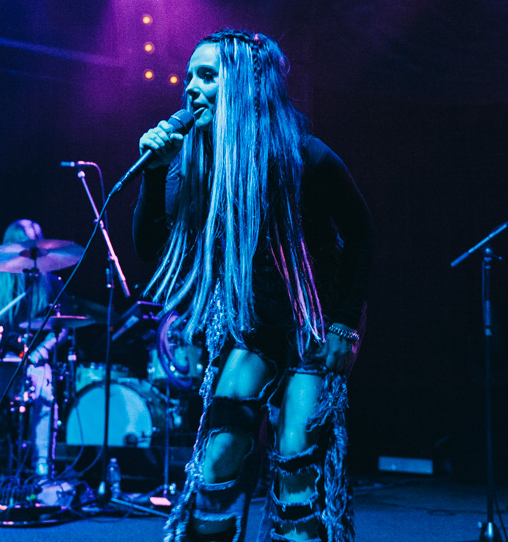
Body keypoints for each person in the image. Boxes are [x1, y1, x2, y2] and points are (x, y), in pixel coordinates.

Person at [133, 29, 373, 542]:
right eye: (189, 76)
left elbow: (361, 232)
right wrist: (153, 176)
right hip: (251, 328)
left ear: (241, 85)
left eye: (206, 76)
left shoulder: (303, 155)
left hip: (312, 325)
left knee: (295, 462)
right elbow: (151, 249)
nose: (190, 88)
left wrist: (345, 325)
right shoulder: (195, 165)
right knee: (217, 456)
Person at [0, 218, 71, 477]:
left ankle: (42, 465)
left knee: (46, 394)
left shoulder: (51, 282)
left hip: (33, 359)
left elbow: (63, 326)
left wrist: (41, 352)